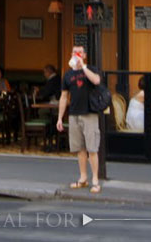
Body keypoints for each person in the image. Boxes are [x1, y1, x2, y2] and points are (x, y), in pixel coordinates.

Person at [56, 45, 103, 194]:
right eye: (75, 52)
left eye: (80, 52)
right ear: (71, 54)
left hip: (89, 113)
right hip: (74, 114)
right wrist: (60, 117)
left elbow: (96, 81)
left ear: (84, 55)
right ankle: (83, 178)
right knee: (79, 149)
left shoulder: (92, 69)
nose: (78, 55)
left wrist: (83, 67)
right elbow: (64, 96)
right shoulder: (68, 75)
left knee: (92, 149)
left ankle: (95, 180)